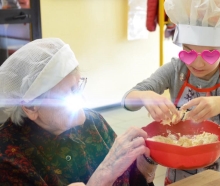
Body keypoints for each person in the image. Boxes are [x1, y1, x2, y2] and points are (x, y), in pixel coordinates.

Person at [122, 0, 220, 185]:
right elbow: (127, 100)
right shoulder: (175, 70)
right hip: (179, 177)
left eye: (209, 54)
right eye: (188, 52)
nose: (197, 63)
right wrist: (145, 96)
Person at [0, 38, 157, 185]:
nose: (81, 99)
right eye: (70, 92)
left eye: (78, 85)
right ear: (31, 107)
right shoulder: (8, 159)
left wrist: (143, 167)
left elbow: (128, 180)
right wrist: (104, 175)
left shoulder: (93, 122)